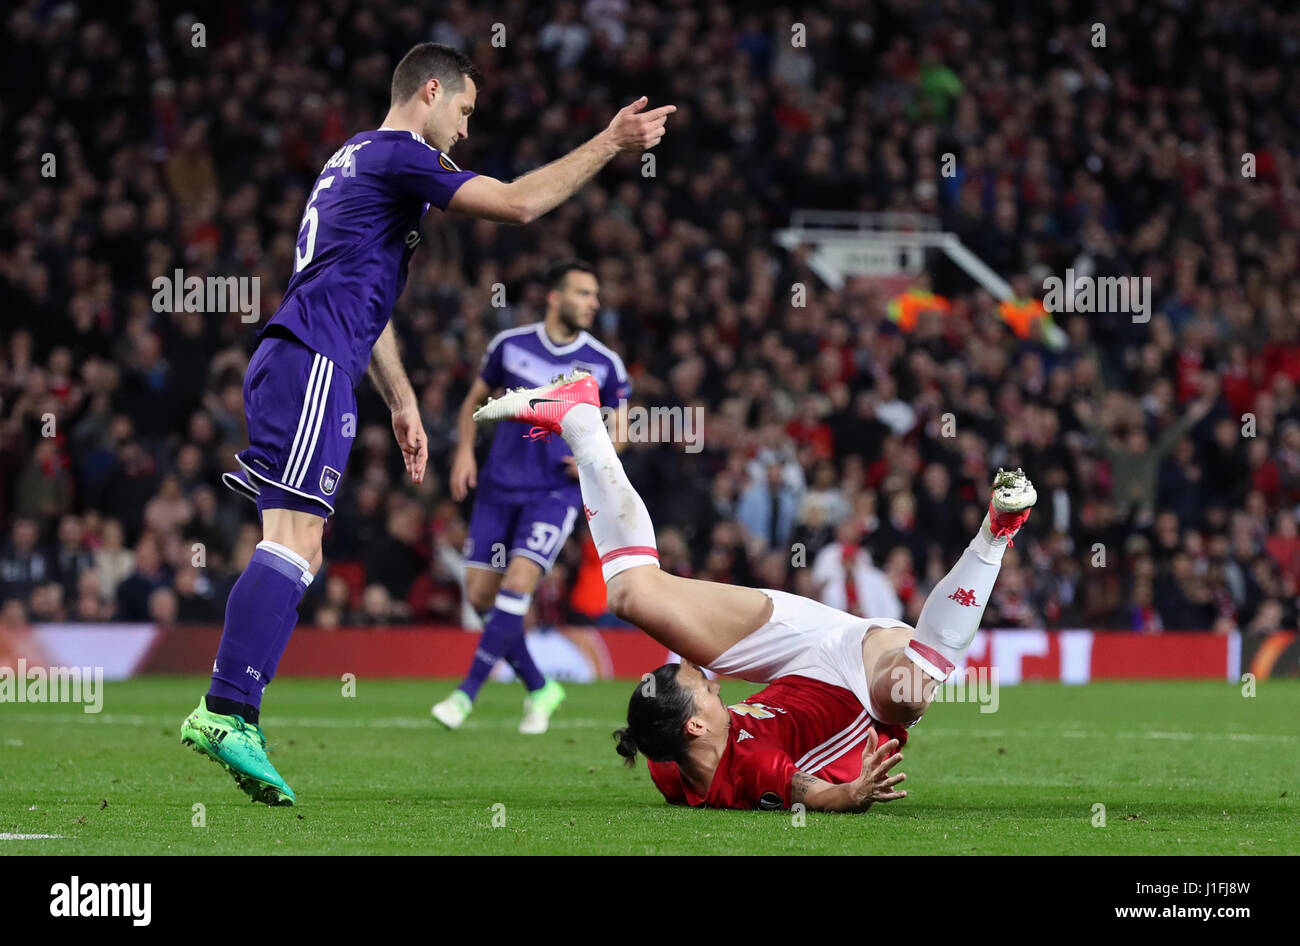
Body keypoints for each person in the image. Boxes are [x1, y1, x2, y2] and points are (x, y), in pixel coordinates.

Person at [181, 43, 675, 806]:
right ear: (431, 92)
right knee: (292, 543)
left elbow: (360, 292)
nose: (466, 132)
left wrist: (402, 399)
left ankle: (232, 711)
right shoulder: (402, 153)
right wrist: (611, 142)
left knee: (300, 545)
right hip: (312, 361)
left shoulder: (355, 158)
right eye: (466, 112)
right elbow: (518, 204)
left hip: (307, 358)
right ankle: (226, 709)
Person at [473, 371, 1036, 811]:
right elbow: (817, 795)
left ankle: (582, 423)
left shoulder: (667, 763)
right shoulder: (756, 768)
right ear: (695, 724)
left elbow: (666, 734)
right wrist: (855, 792)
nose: (717, 685)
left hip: (796, 656)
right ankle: (996, 533)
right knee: (910, 689)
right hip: (863, 687)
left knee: (629, 597)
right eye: (709, 691)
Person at [433, 259, 630, 733]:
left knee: (517, 586)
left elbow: (621, 427)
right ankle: (541, 687)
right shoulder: (510, 345)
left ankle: (466, 694)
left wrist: (595, 453)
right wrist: (464, 452)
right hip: (498, 486)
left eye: (596, 295)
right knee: (480, 595)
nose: (594, 303)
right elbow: (471, 403)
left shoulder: (603, 362)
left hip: (553, 493)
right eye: (584, 293)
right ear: (555, 297)